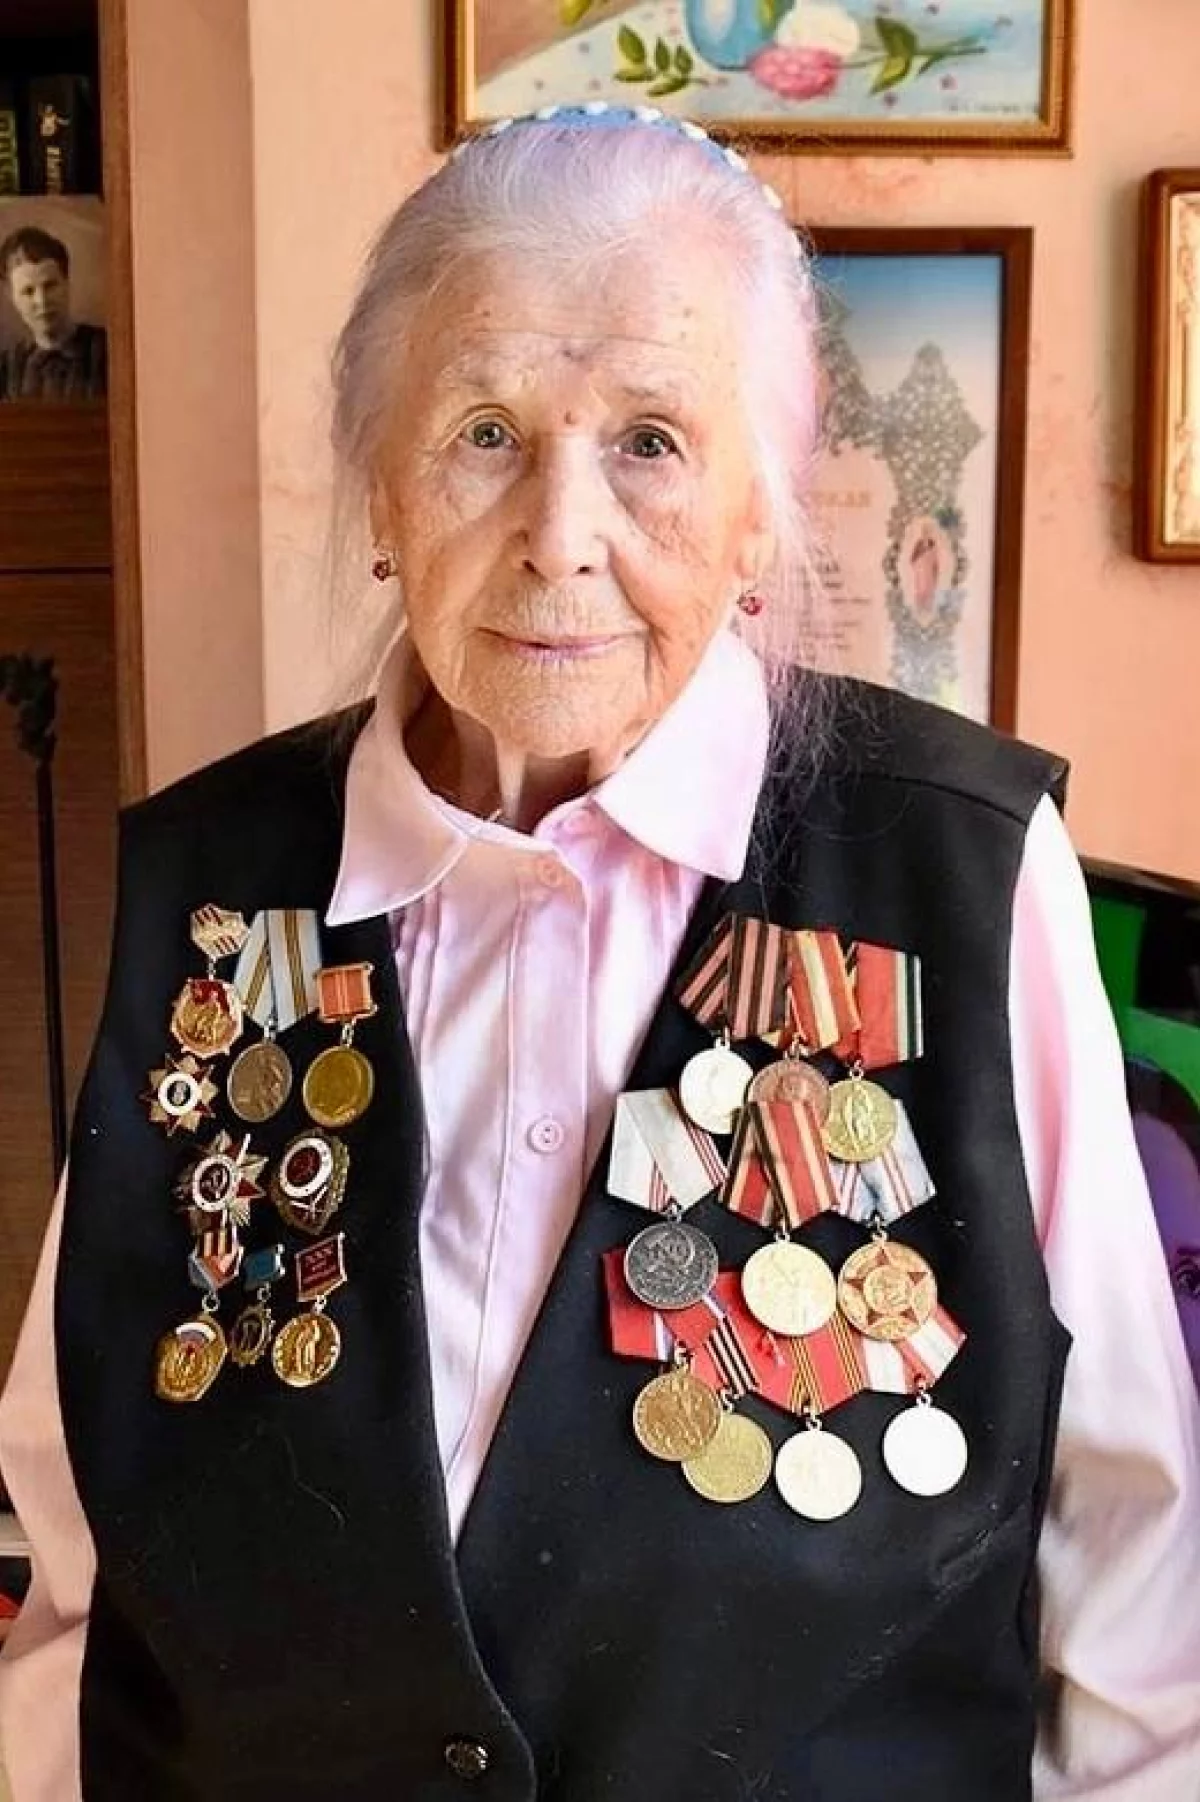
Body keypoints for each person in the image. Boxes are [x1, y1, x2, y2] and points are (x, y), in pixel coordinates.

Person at [1, 106, 1198, 1801]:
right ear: (383, 488)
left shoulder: (964, 872)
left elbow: (1142, 1596)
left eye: (650, 441)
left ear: (759, 515)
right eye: (484, 431)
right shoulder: (209, 882)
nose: (561, 532)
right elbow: (80, 1562)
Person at [0, 226, 106, 402]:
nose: (42, 301)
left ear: (66, 283)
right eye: (28, 291)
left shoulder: (107, 352)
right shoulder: (6, 370)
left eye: (50, 286)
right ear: (12, 297)